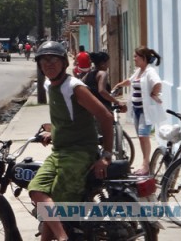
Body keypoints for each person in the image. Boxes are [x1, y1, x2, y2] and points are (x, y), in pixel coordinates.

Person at [28, 41, 113, 241]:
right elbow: (64, 117)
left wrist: (106, 156)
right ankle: (62, 236)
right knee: (36, 190)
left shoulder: (74, 87)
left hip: (80, 152)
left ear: (64, 63)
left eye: (54, 59)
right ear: (39, 65)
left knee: (56, 200)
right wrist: (53, 132)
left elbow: (106, 117)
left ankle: (63, 238)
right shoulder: (48, 84)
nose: (49, 64)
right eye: (44, 60)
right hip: (59, 152)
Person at [113, 46, 164, 176]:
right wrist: (119, 85)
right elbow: (129, 81)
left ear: (144, 58)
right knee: (142, 138)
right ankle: (144, 163)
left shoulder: (150, 71)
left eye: (136, 56)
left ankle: (145, 165)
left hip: (144, 111)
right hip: (136, 110)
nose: (134, 59)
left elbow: (158, 83)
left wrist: (153, 93)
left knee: (143, 136)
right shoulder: (139, 71)